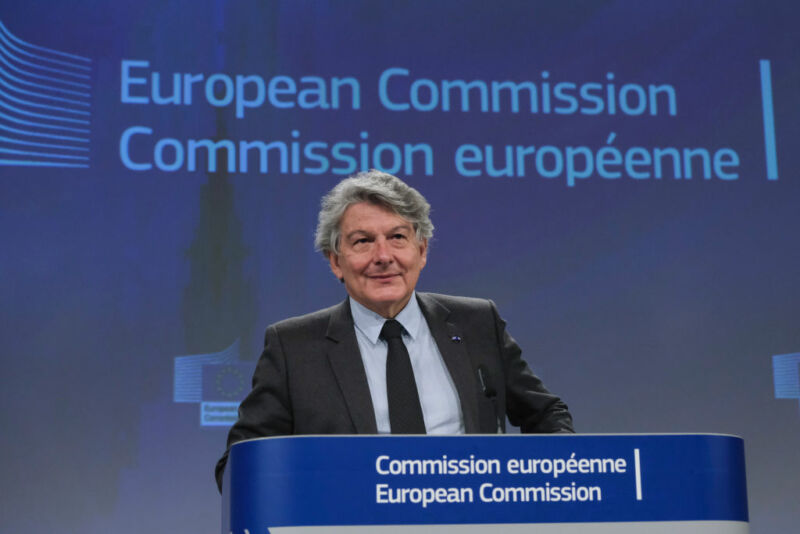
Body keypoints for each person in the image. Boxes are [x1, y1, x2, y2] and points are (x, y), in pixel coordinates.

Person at [215, 170, 573, 490]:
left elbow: (546, 415)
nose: (383, 256)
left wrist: (547, 489)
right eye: (363, 241)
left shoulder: (477, 322)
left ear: (422, 250)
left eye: (397, 237)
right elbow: (241, 462)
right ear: (335, 261)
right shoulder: (293, 347)